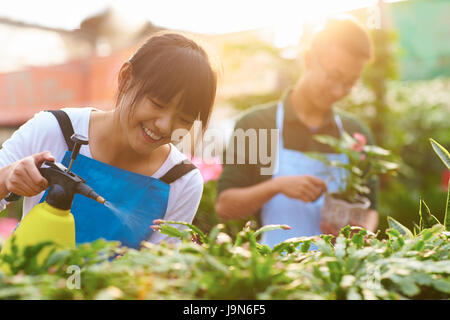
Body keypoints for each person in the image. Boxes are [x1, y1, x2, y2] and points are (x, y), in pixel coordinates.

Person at [0, 32, 217, 248]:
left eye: (184, 119)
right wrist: (7, 177)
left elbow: (157, 271)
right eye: (157, 104)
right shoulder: (54, 129)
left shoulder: (180, 180)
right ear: (125, 79)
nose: (165, 125)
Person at [215, 17, 378, 248]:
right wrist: (277, 186)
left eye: (350, 83)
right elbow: (225, 206)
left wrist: (360, 233)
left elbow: (370, 209)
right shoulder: (258, 125)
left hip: (339, 273)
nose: (338, 90)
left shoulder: (355, 134)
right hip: (276, 270)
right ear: (309, 59)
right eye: (334, 76)